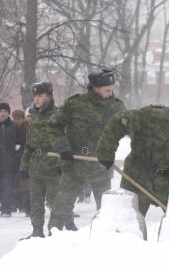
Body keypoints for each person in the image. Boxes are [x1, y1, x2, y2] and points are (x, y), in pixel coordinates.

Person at [96, 95, 169, 216]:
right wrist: (106, 152)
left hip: (166, 182)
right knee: (128, 220)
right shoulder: (156, 116)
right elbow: (119, 121)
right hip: (137, 176)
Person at [47, 68, 126, 232]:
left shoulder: (116, 107)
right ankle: (53, 240)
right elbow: (54, 126)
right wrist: (63, 149)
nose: (110, 92)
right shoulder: (75, 104)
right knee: (61, 208)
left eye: (111, 89)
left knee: (107, 210)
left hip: (99, 165)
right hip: (73, 163)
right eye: (107, 89)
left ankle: (109, 240)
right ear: (95, 87)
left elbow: (130, 129)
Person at [19, 82, 60, 238]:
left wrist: (62, 164)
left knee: (55, 202)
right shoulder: (33, 116)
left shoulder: (58, 114)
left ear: (49, 97)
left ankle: (55, 231)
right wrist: (24, 166)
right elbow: (29, 144)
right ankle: (37, 231)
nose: (37, 99)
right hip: (36, 166)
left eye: (40, 96)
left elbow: (66, 141)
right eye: (35, 96)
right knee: (35, 202)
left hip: (53, 166)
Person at [0, 102, 24, 217]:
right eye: (0, 111)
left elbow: (20, 143)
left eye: (4, 111)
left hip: (9, 163)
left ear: (8, 113)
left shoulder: (14, 126)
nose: (2, 113)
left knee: (7, 187)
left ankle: (6, 210)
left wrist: (17, 157)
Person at [12, 109, 30, 216]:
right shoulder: (14, 128)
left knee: (26, 184)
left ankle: (26, 207)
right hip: (16, 159)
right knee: (17, 183)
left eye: (19, 119)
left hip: (26, 158)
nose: (16, 121)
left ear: (23, 119)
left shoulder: (28, 128)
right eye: (15, 119)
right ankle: (20, 206)